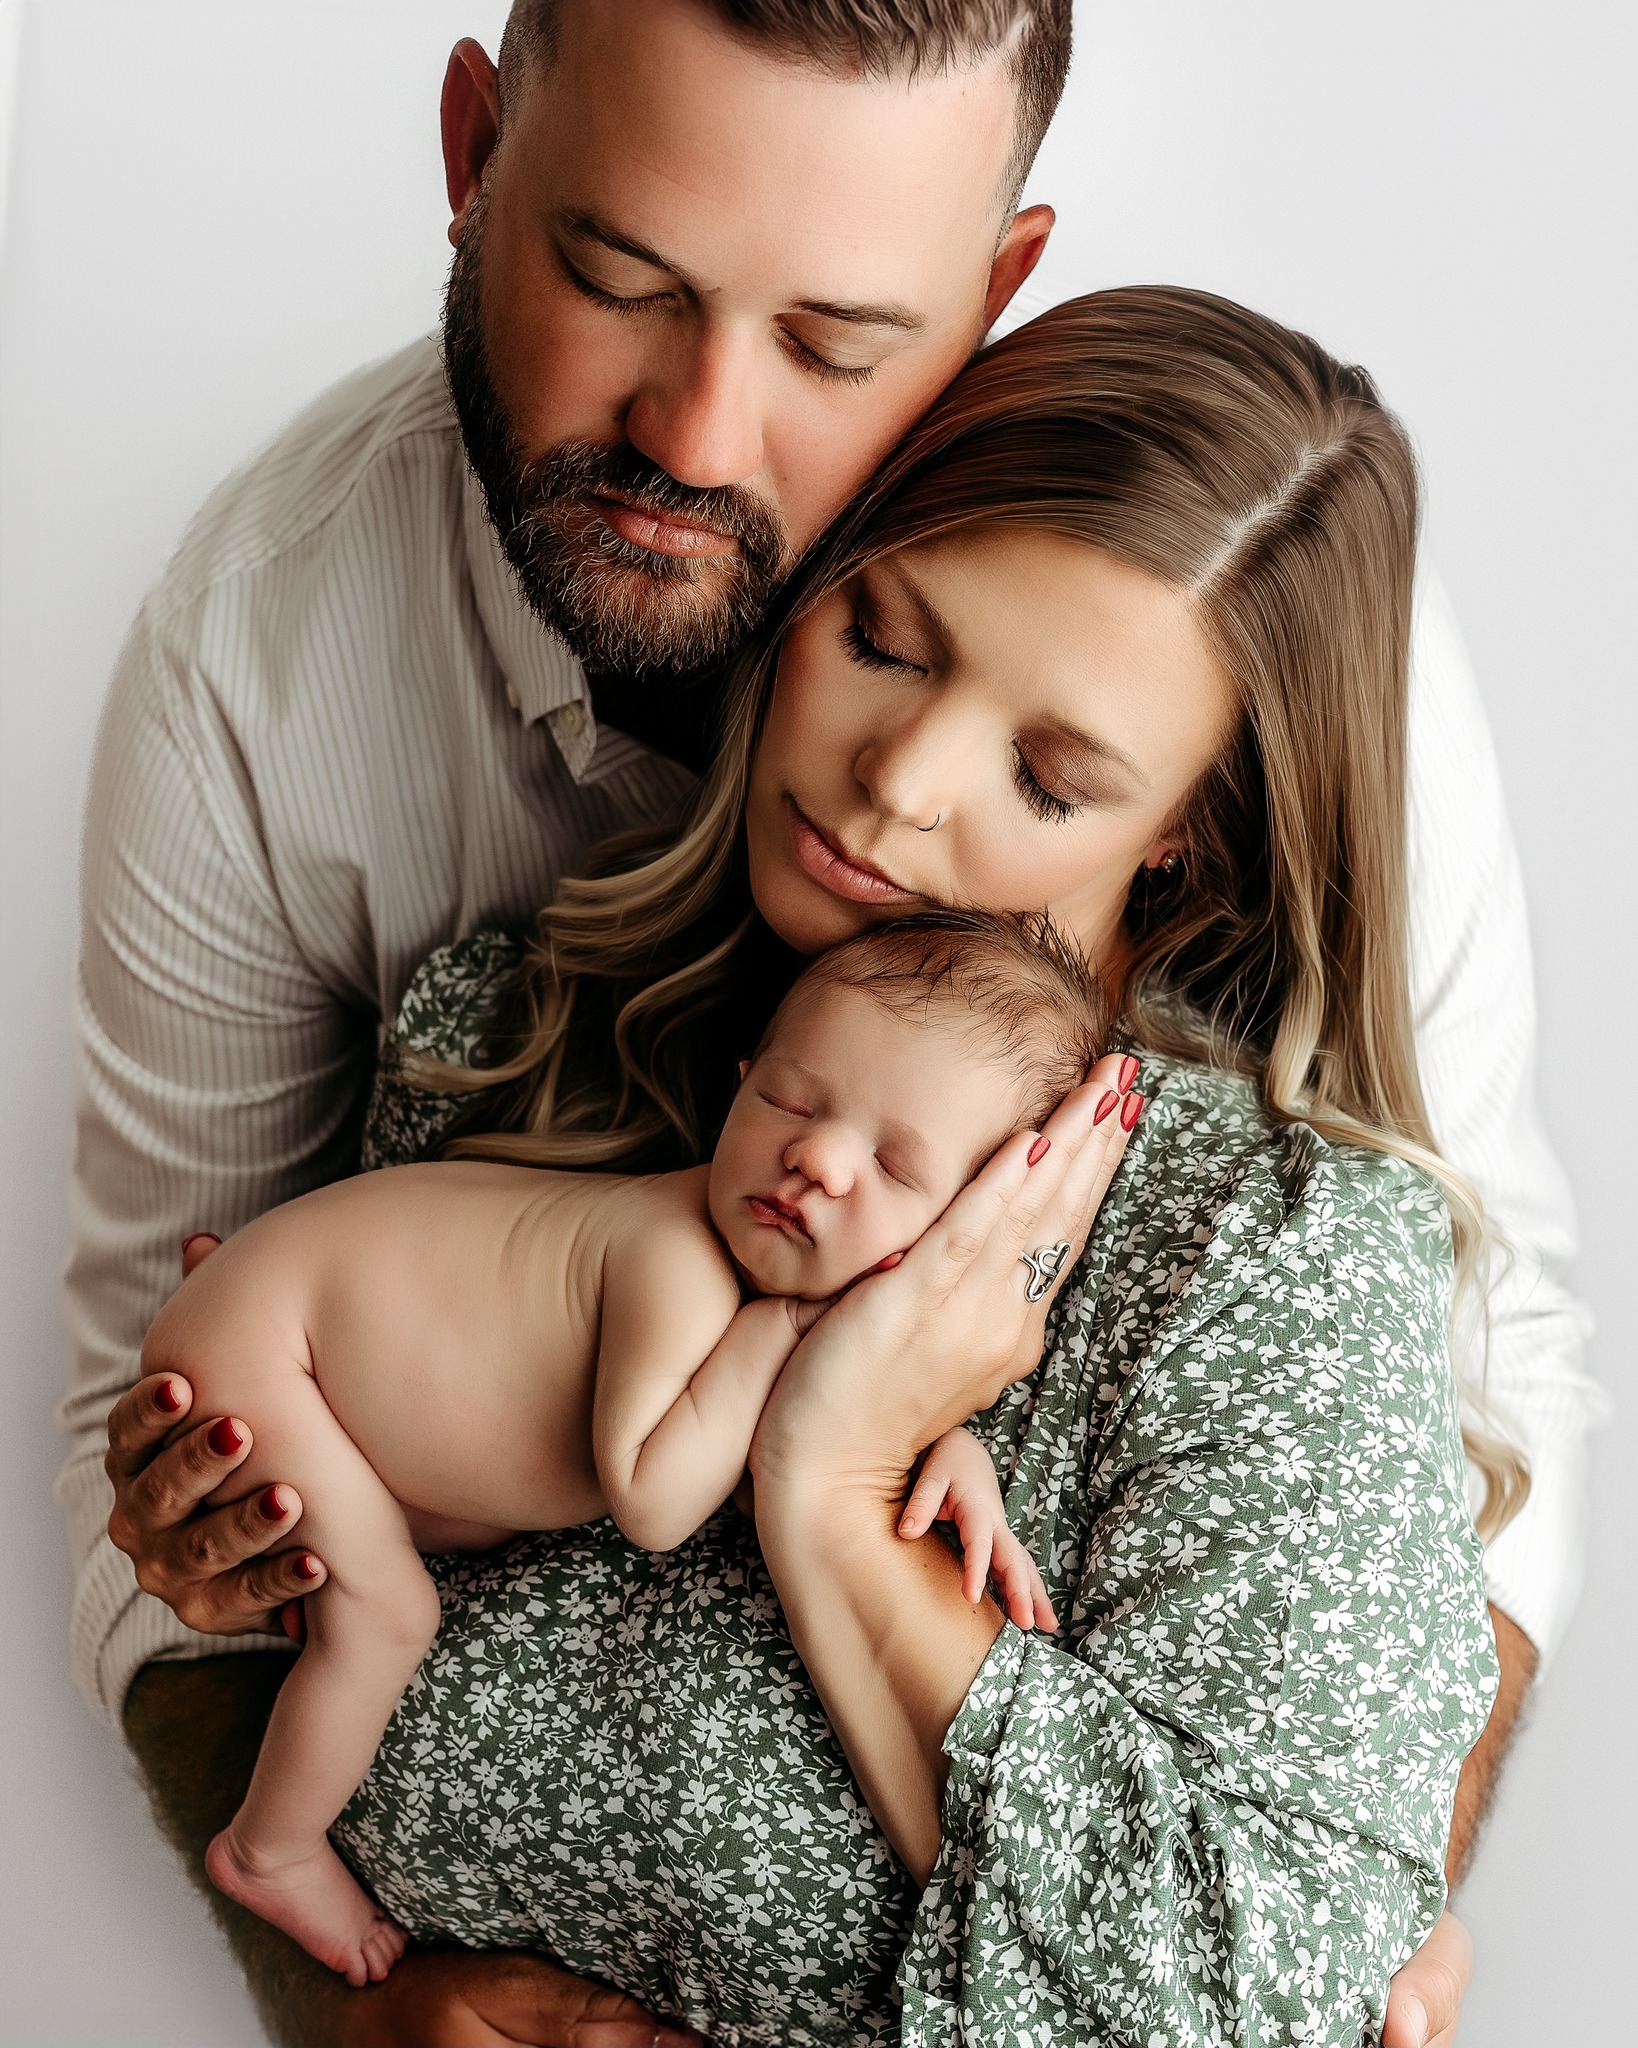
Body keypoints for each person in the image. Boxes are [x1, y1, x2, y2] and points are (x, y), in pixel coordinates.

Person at [69, 3, 1595, 2043]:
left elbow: (1493, 1371)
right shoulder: (378, 827)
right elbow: (158, 1397)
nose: (701, 435)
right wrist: (343, 1996)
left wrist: (1351, 1864)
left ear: (986, 303)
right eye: (618, 276)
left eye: (835, 347)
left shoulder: (1279, 722)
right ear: (472, 156)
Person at [284, 286, 1491, 2044]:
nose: (896, 780)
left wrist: (836, 1481)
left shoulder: (1259, 1248)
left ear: (1179, 844)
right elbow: (298, 1677)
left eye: (1049, 774)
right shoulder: (511, 1037)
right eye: (885, 637)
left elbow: (1248, 1998)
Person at [146, 913, 1091, 1982]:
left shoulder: (768, 1281)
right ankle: (268, 1846)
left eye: (895, 1162)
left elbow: (809, 1417)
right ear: (741, 1080)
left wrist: (944, 1450)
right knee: (389, 1612)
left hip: (307, 1344)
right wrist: (779, 1332)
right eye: (789, 1096)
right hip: (268, 1346)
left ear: (968, 1234)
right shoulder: (676, 1254)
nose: (817, 1155)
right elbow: (654, 1495)